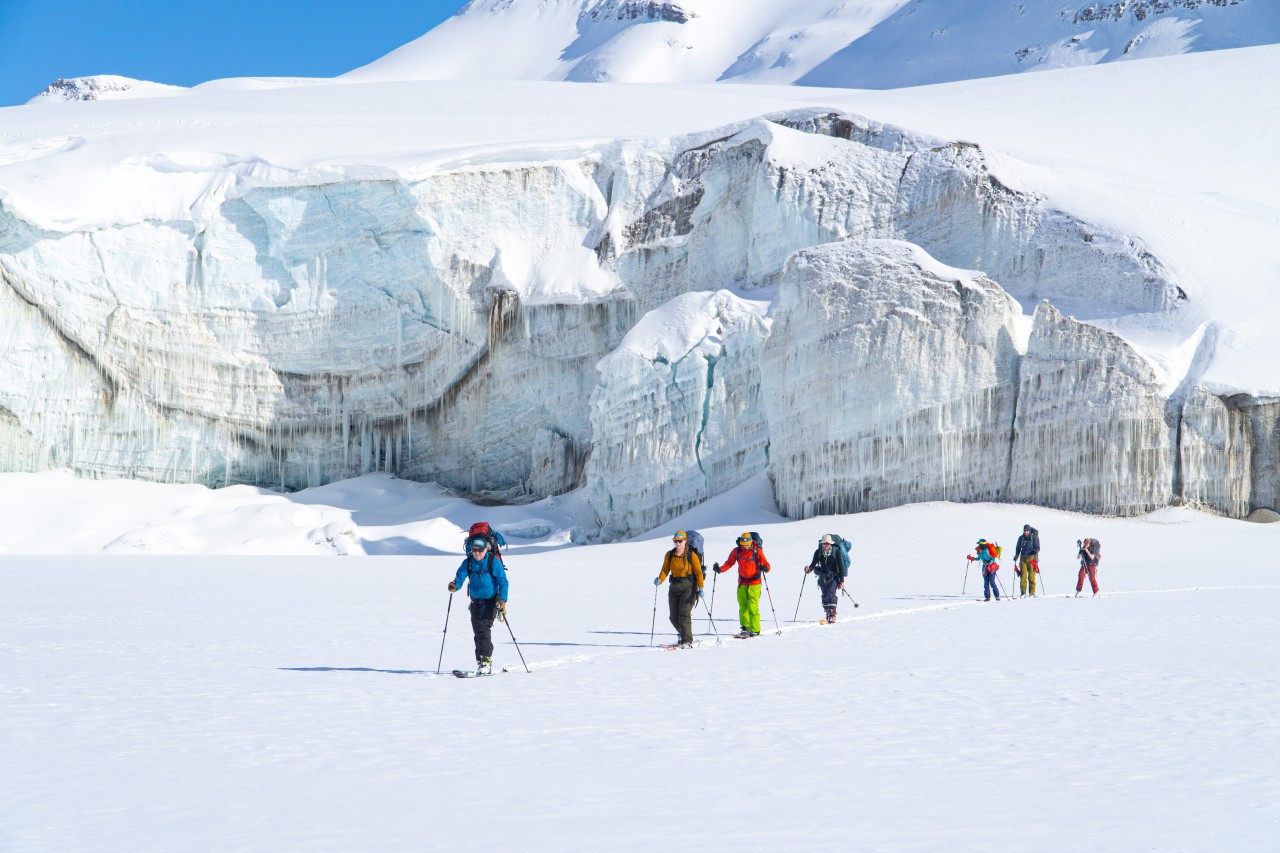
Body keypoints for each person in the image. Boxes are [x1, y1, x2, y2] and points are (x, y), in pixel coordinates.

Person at [449, 535, 510, 675]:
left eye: (480, 549)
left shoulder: (493, 562)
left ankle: (486, 662)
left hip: (492, 600)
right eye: (474, 549)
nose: (477, 552)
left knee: (483, 628)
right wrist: (454, 585)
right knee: (477, 631)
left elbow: (503, 581)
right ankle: (481, 660)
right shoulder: (468, 562)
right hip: (475, 601)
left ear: (486, 549)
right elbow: (460, 577)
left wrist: (502, 600)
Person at [714, 532, 771, 638]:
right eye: (742, 543)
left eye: (746, 543)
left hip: (754, 583)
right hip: (742, 583)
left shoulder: (757, 551)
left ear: (751, 542)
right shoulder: (737, 551)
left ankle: (755, 629)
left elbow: (767, 565)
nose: (744, 546)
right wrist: (720, 569)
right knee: (743, 605)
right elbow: (729, 563)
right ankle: (745, 627)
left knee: (752, 606)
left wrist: (765, 568)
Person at [654, 530, 705, 648]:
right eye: (676, 541)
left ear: (685, 541)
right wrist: (660, 579)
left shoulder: (691, 555)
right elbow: (665, 569)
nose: (678, 544)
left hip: (689, 586)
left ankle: (687, 640)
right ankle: (683, 633)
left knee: (684, 613)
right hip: (674, 587)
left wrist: (701, 587)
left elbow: (698, 572)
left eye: (680, 541)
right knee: (673, 617)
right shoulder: (670, 554)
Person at [806, 534, 848, 622]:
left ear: (830, 544)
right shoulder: (818, 552)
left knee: (831, 594)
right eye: (824, 543)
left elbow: (840, 567)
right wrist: (808, 569)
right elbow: (813, 564)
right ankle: (827, 611)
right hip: (823, 577)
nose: (826, 545)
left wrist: (842, 581)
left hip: (834, 577)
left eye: (827, 543)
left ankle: (832, 615)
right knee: (825, 596)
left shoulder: (836, 551)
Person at [1013, 524, 1041, 597]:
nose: (1026, 532)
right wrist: (1016, 555)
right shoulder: (1021, 538)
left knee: (1031, 576)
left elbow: (1037, 547)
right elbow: (1018, 548)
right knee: (1023, 576)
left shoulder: (1034, 537)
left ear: (1030, 531)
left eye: (1027, 530)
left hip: (1032, 558)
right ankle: (1023, 593)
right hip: (1023, 558)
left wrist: (1036, 551)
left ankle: (1032, 593)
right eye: (1025, 530)